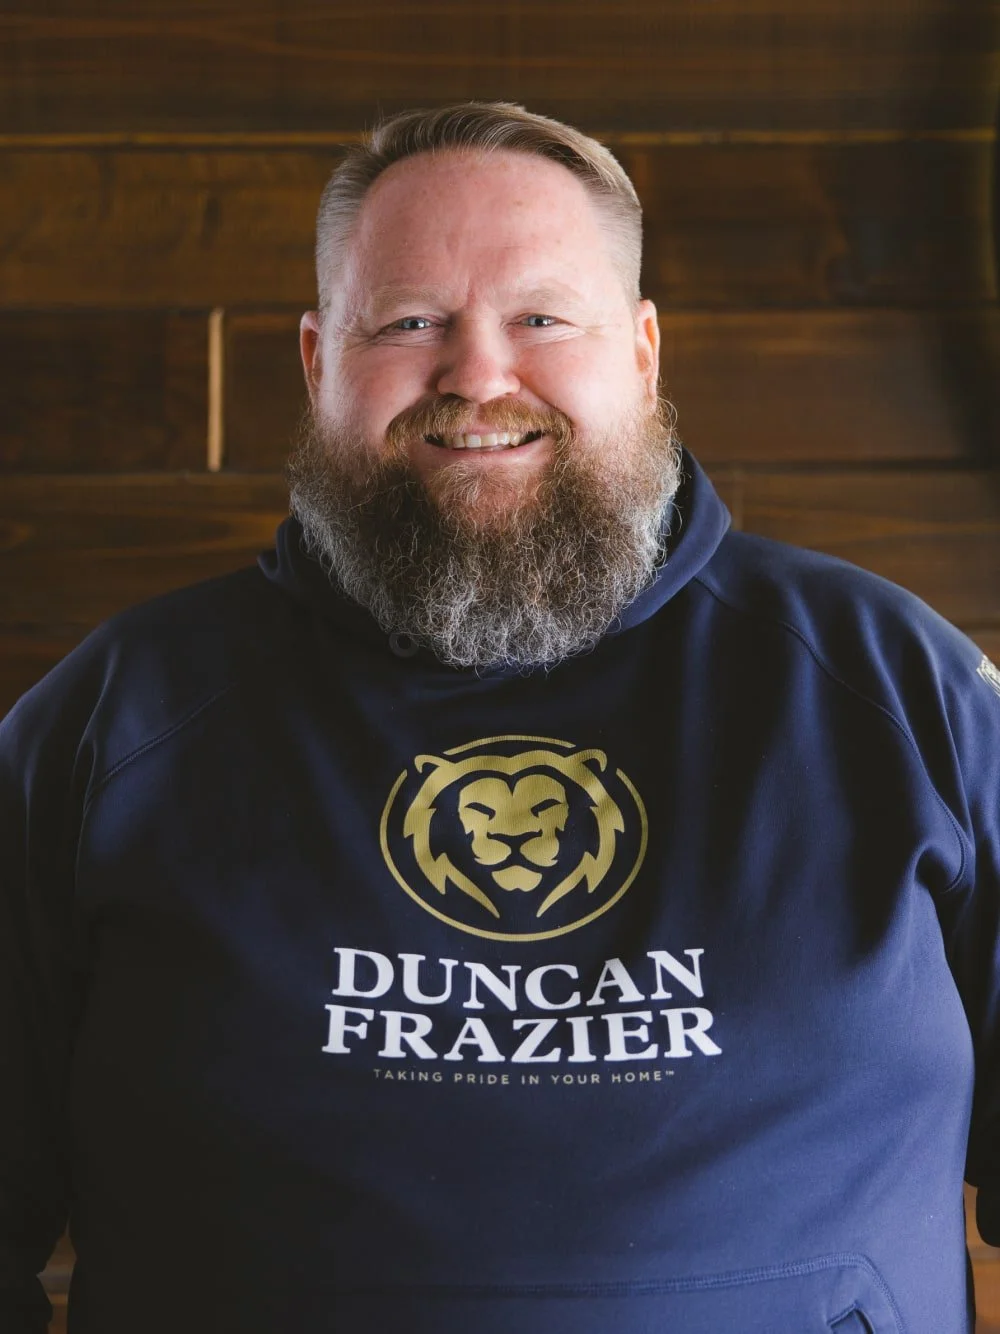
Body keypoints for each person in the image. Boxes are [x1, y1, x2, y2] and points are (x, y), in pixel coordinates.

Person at [2, 101, 998, 1334]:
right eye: (409, 320)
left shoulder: (900, 691)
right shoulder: (115, 721)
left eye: (539, 316)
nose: (476, 372)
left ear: (640, 353)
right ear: (320, 363)